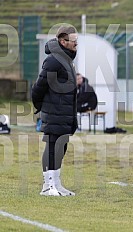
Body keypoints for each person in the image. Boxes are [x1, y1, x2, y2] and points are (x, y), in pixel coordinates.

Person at [32, 25, 78, 196]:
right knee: (52, 146)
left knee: (62, 146)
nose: (76, 44)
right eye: (73, 41)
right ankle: (47, 186)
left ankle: (56, 184)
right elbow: (38, 88)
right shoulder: (53, 61)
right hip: (54, 113)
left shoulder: (67, 60)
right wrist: (41, 108)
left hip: (65, 114)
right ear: (63, 41)